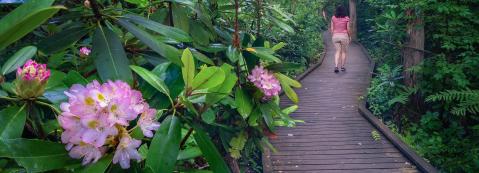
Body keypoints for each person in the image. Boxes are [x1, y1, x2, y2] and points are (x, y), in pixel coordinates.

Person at [330, 5, 351, 73]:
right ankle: (342, 67)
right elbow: (348, 29)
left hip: (335, 36)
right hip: (344, 36)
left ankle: (336, 66)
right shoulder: (347, 18)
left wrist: (333, 35)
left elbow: (332, 29)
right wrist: (350, 36)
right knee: (343, 52)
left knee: (337, 51)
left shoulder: (333, 18)